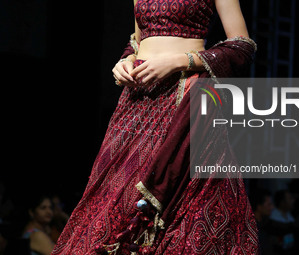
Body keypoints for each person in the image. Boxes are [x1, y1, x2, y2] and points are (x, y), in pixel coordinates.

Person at [52, 0, 259, 254]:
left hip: (184, 96)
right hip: (137, 99)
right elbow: (138, 41)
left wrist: (178, 61)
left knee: (183, 205)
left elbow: (241, 46)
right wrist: (125, 60)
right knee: (115, 199)